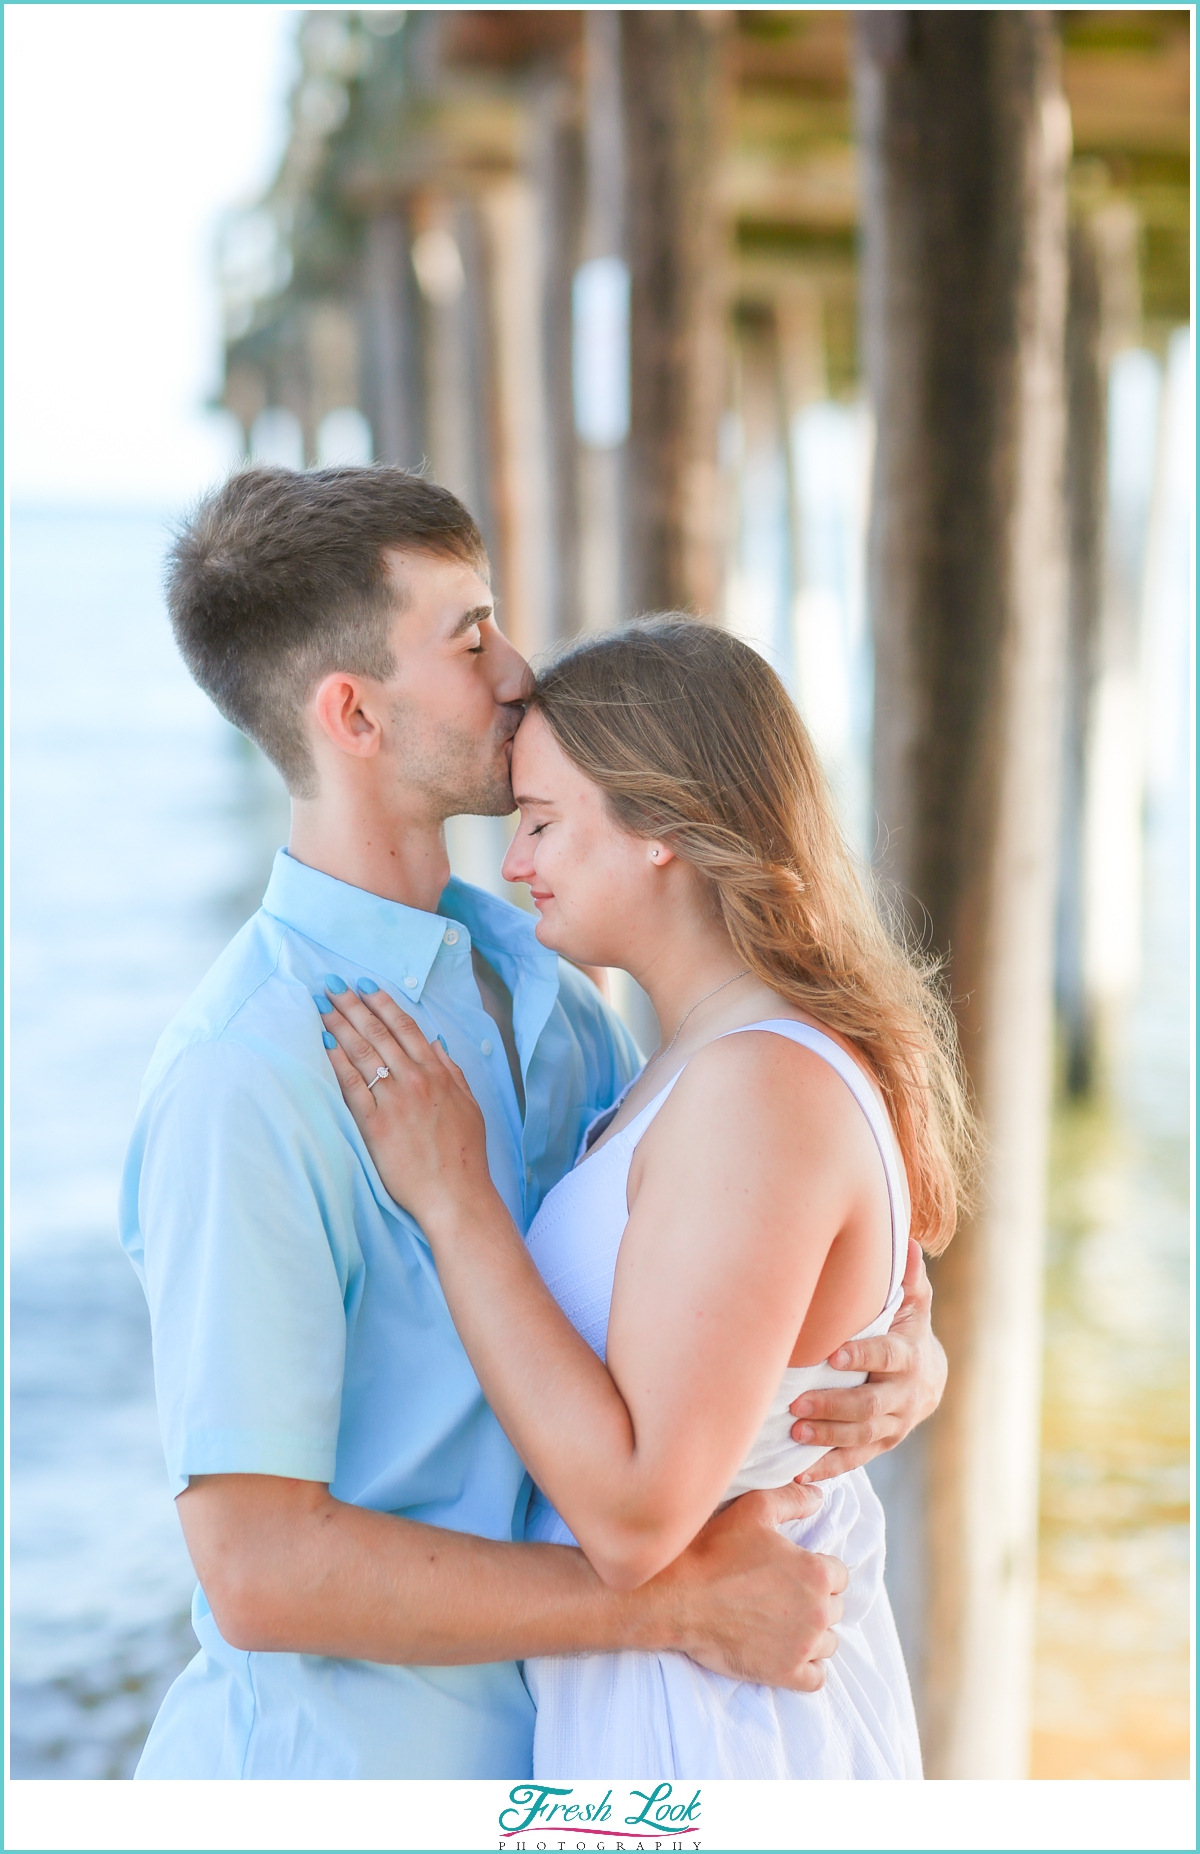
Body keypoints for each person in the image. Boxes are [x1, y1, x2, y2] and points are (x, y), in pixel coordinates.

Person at [120, 465, 947, 1780]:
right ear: (353, 713)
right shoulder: (250, 1074)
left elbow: (686, 1297)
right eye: (470, 636)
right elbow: (258, 1570)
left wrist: (866, 1374)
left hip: (592, 1752)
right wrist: (671, 1603)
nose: (518, 670)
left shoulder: (555, 997)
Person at [320, 617, 977, 1779]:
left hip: (716, 1727)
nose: (515, 863)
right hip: (672, 1703)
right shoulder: (694, 1064)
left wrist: (456, 1196)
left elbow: (633, 1520)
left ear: (663, 827)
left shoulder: (758, 1086)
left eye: (542, 823)